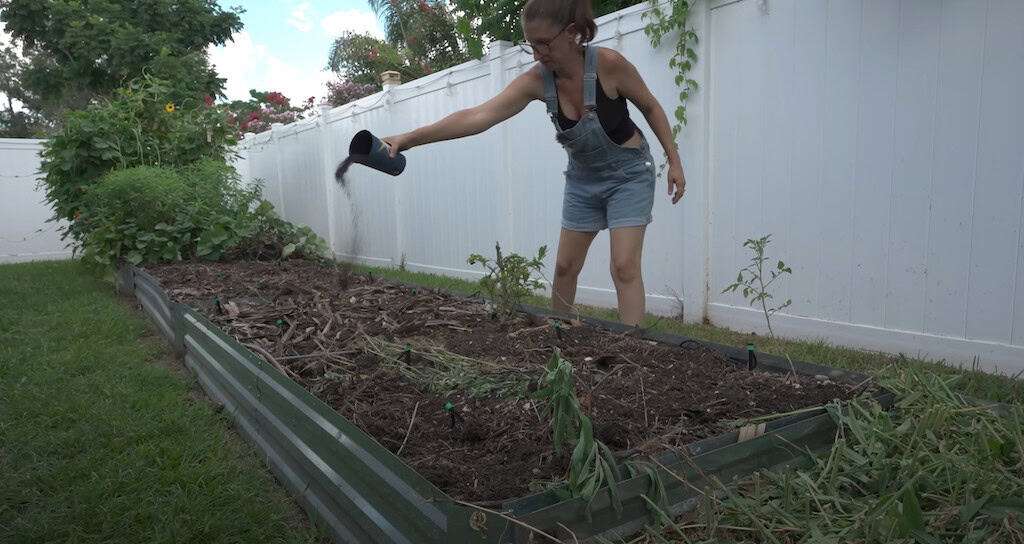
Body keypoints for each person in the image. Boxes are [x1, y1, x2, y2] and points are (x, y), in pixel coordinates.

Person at [382, 0, 686, 326]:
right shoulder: (538, 81)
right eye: (532, 45)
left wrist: (674, 160)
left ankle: (632, 353)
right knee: (564, 267)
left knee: (624, 266)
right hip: (583, 180)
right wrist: (409, 139)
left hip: (628, 176)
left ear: (571, 33)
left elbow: (650, 106)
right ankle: (559, 339)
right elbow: (478, 116)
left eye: (544, 43)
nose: (539, 54)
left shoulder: (609, 65)